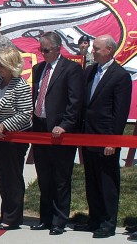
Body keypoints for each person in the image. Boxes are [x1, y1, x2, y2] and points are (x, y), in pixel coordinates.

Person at [74, 35, 131, 238]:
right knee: (92, 180)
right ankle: (95, 219)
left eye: (96, 48)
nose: (92, 51)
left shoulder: (120, 76)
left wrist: (112, 141)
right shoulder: (89, 72)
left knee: (107, 181)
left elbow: (120, 113)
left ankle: (108, 222)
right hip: (88, 136)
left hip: (105, 138)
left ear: (108, 49)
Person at [30, 31, 84, 235]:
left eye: (46, 50)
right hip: (40, 128)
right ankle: (45, 218)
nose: (43, 53)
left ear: (58, 48)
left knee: (60, 178)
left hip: (60, 131)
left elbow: (75, 101)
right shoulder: (38, 69)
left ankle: (59, 220)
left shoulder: (71, 69)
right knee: (44, 177)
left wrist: (65, 124)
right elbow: (37, 96)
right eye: (41, 50)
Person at [0, 47, 32, 230]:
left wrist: (6, 125)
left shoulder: (21, 86)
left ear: (12, 66)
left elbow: (26, 113)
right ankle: (5, 211)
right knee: (1, 174)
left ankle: (13, 217)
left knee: (12, 176)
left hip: (14, 136)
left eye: (1, 65)